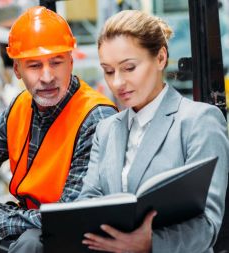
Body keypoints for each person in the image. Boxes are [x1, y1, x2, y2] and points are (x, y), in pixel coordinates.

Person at [0, 6, 117, 253]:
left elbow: (71, 213)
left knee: (31, 243)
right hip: (26, 215)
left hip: (70, 229)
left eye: (56, 62)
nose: (47, 76)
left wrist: (0, 227)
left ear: (71, 61)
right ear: (17, 69)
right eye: (34, 66)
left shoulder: (95, 117)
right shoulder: (21, 105)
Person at [79, 10, 229, 253]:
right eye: (108, 71)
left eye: (129, 68)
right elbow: (88, 201)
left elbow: (207, 225)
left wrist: (150, 244)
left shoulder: (198, 121)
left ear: (160, 58)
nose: (117, 82)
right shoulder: (106, 130)